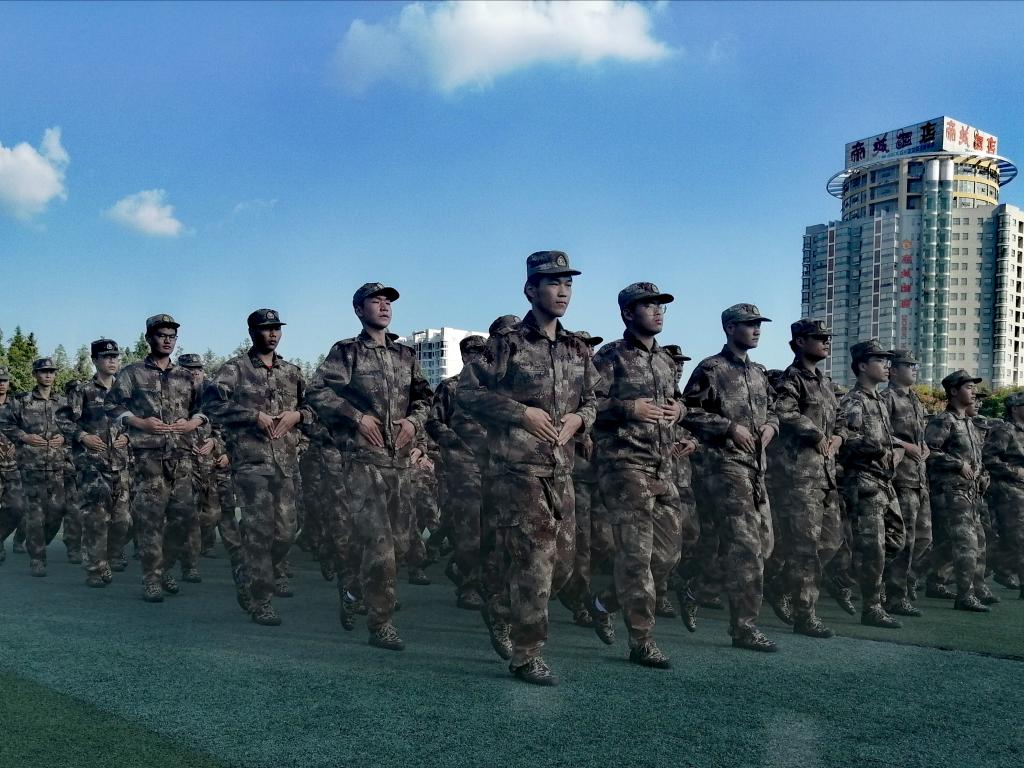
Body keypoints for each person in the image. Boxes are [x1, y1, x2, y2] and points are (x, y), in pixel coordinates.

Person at [458, 251, 598, 685]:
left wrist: (579, 419)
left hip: (560, 471)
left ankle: (499, 606)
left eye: (568, 283)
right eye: (553, 282)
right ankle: (527, 655)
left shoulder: (577, 348)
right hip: (516, 473)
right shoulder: (507, 344)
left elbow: (593, 400)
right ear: (530, 289)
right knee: (536, 563)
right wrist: (521, 414)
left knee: (563, 567)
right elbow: (467, 393)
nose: (563, 291)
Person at [307, 284, 432, 650]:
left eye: (388, 301)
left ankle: (352, 590)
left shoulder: (405, 354)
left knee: (402, 544)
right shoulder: (347, 352)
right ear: (359, 310)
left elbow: (425, 398)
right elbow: (317, 392)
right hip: (363, 463)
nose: (384, 306)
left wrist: (414, 422)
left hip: (400, 464)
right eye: (376, 301)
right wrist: (356, 417)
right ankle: (381, 623)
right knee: (380, 549)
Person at [590, 282, 683, 669]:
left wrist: (679, 411)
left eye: (661, 305)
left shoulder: (665, 361)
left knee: (667, 556)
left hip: (663, 467)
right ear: (628, 313)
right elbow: (587, 403)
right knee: (636, 558)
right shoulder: (609, 356)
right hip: (625, 466)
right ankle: (642, 641)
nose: (658, 311)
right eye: (648, 306)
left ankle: (603, 602)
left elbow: (678, 402)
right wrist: (629, 409)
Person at [203, 309, 313, 626]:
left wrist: (298, 416)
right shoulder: (234, 370)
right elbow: (212, 405)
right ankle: (260, 599)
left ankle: (245, 565)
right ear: (252, 332)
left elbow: (313, 410)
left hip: (286, 464)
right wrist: (252, 416)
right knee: (259, 534)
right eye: (266, 329)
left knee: (287, 532)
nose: (273, 334)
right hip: (252, 465)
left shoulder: (292, 372)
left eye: (277, 328)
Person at [682, 303, 779, 652]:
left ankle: (697, 589)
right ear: (729, 328)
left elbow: (775, 410)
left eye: (758, 324)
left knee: (763, 547)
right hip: (723, 468)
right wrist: (728, 427)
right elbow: (687, 411)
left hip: (755, 469)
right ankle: (744, 628)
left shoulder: (759, 373)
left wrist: (771, 427)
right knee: (746, 548)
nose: (756, 329)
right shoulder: (711, 368)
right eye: (748, 324)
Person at [104, 314, 207, 602]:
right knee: (150, 520)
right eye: (161, 335)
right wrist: (139, 422)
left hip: (181, 456)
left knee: (183, 519)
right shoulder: (132, 373)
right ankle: (151, 579)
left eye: (172, 336)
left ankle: (165, 568)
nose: (167, 341)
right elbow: (111, 405)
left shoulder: (186, 376)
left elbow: (205, 409)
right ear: (149, 338)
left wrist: (193, 422)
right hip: (148, 458)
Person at [765, 319, 845, 639]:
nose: (826, 342)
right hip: (799, 476)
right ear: (799, 342)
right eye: (818, 337)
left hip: (825, 475)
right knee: (805, 549)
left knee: (831, 542)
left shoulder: (825, 383)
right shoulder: (790, 379)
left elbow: (840, 419)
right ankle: (805, 615)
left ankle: (778, 586)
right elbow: (784, 412)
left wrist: (838, 437)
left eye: (827, 337)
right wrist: (816, 434)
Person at [837, 340, 905, 628]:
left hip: (884, 481)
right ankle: (872, 607)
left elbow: (888, 438)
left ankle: (841, 575)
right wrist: (879, 450)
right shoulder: (854, 401)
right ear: (863, 366)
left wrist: (896, 450)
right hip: (863, 480)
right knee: (873, 548)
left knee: (896, 540)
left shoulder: (878, 401)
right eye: (880, 360)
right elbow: (846, 438)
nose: (887, 366)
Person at [58, 340, 132, 587]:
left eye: (115, 356)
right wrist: (82, 436)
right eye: (106, 356)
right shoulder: (83, 390)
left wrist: (128, 437)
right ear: (94, 360)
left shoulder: (125, 392)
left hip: (120, 464)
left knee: (122, 521)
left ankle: (107, 558)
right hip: (92, 465)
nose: (112, 360)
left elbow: (137, 421)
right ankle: (94, 569)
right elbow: (63, 420)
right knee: (96, 519)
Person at [426, 334, 489, 609]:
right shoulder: (451, 387)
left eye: (482, 353)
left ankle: (470, 572)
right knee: (469, 528)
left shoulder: (494, 387)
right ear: (463, 356)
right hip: (463, 466)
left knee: (491, 527)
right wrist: (455, 443)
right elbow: (433, 422)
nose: (477, 357)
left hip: (495, 466)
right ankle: (468, 586)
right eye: (472, 352)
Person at [925, 370, 990, 612]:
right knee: (965, 544)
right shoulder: (944, 420)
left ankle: (940, 582)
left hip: (970, 493)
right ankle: (965, 595)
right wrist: (957, 464)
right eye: (969, 387)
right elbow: (928, 451)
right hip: (951, 492)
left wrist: (982, 475)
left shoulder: (968, 422)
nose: (974, 392)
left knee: (975, 542)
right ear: (953, 391)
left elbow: (976, 458)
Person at [0, 358, 68, 577]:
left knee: (57, 512)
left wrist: (64, 437)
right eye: (43, 371)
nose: (48, 375)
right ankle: (37, 558)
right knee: (34, 515)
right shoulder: (22, 402)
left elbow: (75, 426)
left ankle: (37, 544)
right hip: (30, 467)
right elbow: (5, 423)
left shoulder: (63, 402)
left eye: (51, 371)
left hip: (56, 466)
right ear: (35, 374)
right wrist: (24, 436)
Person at [881, 350, 931, 615]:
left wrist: (924, 447)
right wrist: (904, 445)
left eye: (915, 365)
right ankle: (894, 594)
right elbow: (879, 433)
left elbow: (920, 437)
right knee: (904, 540)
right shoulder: (886, 398)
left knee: (924, 538)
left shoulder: (915, 400)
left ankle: (904, 582)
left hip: (919, 478)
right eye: (908, 365)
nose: (914, 369)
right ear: (893, 370)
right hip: (900, 478)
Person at [982, 391, 1024, 601]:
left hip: (1020, 489)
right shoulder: (1004, 430)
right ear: (1015, 409)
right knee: (1018, 537)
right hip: (1008, 490)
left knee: (1013, 538)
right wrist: (1016, 471)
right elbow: (988, 458)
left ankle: (1002, 569)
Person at [0, 367, 26, 564]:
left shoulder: (17, 405)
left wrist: (18, 445)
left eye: (4, 380)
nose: (1, 384)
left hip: (13, 467)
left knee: (17, 508)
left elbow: (29, 430)